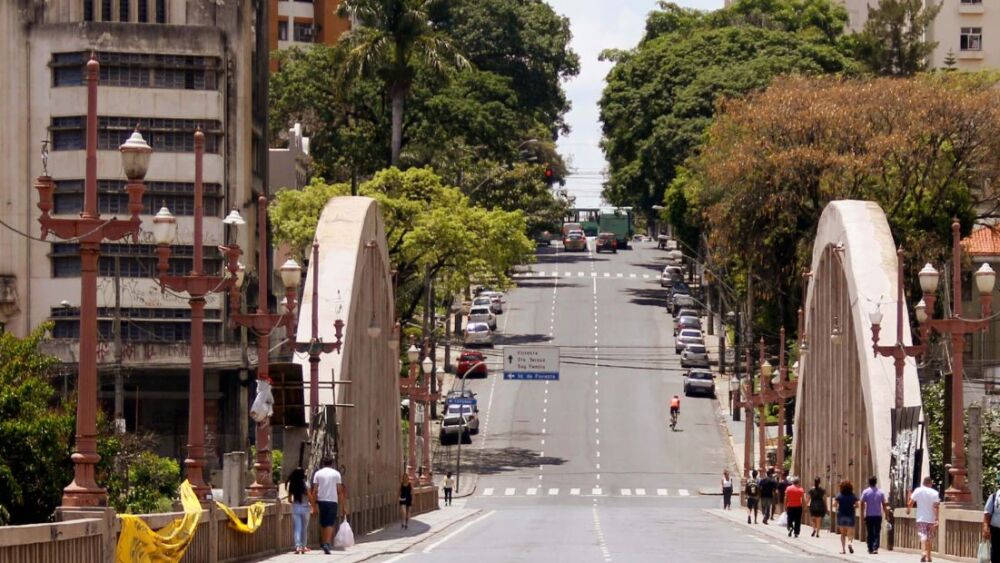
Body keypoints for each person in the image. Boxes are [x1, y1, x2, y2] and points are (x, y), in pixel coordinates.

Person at [311, 457, 345, 555]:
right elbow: (339, 491)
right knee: (330, 522)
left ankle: (323, 542)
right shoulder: (336, 474)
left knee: (323, 522)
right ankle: (327, 543)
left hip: (321, 500)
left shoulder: (318, 473)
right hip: (332, 500)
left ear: (323, 463)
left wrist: (313, 505)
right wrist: (343, 506)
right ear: (332, 463)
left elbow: (315, 490)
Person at [908, 477, 940, 563]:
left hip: (921, 518)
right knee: (929, 537)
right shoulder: (935, 493)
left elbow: (911, 502)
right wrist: (937, 518)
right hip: (931, 519)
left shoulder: (918, 490)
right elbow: (936, 507)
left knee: (923, 534)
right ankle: (929, 557)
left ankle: (923, 552)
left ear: (923, 483)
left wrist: (908, 510)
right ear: (930, 483)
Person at [860, 476, 889, 554]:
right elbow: (884, 504)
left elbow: (861, 503)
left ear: (869, 482)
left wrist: (862, 514)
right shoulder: (881, 492)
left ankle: (870, 548)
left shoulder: (866, 492)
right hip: (878, 515)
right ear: (876, 482)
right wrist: (886, 514)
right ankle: (875, 548)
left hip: (869, 515)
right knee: (877, 532)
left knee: (870, 532)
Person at [287, 467, 312, 554]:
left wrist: (294, 503)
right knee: (304, 528)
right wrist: (312, 504)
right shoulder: (306, 484)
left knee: (297, 528)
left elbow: (289, 499)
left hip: (296, 507)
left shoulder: (292, 484)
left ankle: (298, 547)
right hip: (305, 507)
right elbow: (309, 496)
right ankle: (304, 546)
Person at [834, 479, 858, 555]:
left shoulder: (839, 495)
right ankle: (849, 543)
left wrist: (838, 507)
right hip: (850, 515)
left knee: (843, 534)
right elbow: (857, 505)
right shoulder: (853, 495)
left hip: (841, 515)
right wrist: (852, 506)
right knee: (850, 533)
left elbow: (834, 504)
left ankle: (843, 550)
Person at [983, 476, 1000, 563]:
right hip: (996, 531)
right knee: (995, 554)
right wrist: (985, 528)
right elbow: (987, 513)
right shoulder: (994, 496)